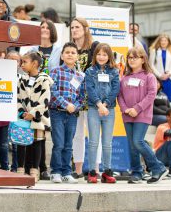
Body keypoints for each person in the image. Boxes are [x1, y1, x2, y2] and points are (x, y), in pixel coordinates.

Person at [117, 47, 168, 184]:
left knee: (138, 141)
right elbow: (120, 95)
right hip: (127, 115)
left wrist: (137, 108)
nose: (132, 60)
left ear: (142, 59)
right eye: (129, 57)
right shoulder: (124, 77)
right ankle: (137, 172)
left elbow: (151, 95)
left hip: (142, 115)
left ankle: (158, 167)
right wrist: (125, 109)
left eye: (135, 57)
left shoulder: (149, 76)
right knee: (131, 144)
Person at [28, 19, 62, 179]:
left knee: (44, 131)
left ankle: (43, 167)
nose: (44, 29)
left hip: (51, 95)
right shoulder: (32, 49)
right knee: (35, 129)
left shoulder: (58, 50)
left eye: (48, 27)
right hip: (33, 94)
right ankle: (36, 166)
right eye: (42, 27)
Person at [49, 42, 86, 184]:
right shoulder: (55, 71)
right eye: (67, 52)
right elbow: (53, 91)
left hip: (72, 114)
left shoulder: (80, 76)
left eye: (73, 52)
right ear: (62, 56)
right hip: (57, 112)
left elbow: (82, 96)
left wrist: (75, 106)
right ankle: (56, 171)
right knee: (58, 143)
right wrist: (66, 104)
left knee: (68, 144)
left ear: (77, 56)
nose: (70, 54)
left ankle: (66, 172)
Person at [85, 43, 120, 184]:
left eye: (104, 54)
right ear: (95, 56)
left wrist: (105, 105)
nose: (101, 57)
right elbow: (90, 89)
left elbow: (115, 90)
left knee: (107, 143)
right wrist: (99, 104)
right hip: (94, 109)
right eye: (99, 54)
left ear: (109, 56)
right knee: (93, 142)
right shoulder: (89, 71)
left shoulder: (114, 72)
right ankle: (92, 171)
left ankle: (107, 171)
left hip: (109, 110)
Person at [16, 51, 52, 182]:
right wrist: (22, 112)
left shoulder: (44, 80)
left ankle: (34, 170)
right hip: (23, 118)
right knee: (21, 142)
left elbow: (45, 100)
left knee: (37, 143)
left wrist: (34, 114)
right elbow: (18, 98)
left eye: (25, 62)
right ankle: (20, 168)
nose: (22, 64)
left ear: (35, 64)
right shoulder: (21, 80)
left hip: (38, 119)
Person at [70, 17, 99, 178]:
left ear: (85, 29)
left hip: (92, 97)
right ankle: (78, 170)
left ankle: (96, 169)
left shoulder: (94, 47)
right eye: (72, 27)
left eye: (77, 27)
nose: (74, 30)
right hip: (75, 97)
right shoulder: (69, 48)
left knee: (94, 135)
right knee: (77, 135)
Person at [149, 33, 171, 102]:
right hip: (158, 79)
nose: (163, 42)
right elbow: (151, 65)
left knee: (168, 99)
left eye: (165, 40)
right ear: (159, 41)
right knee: (158, 99)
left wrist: (169, 74)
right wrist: (160, 75)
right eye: (162, 40)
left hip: (169, 79)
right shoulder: (154, 51)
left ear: (168, 42)